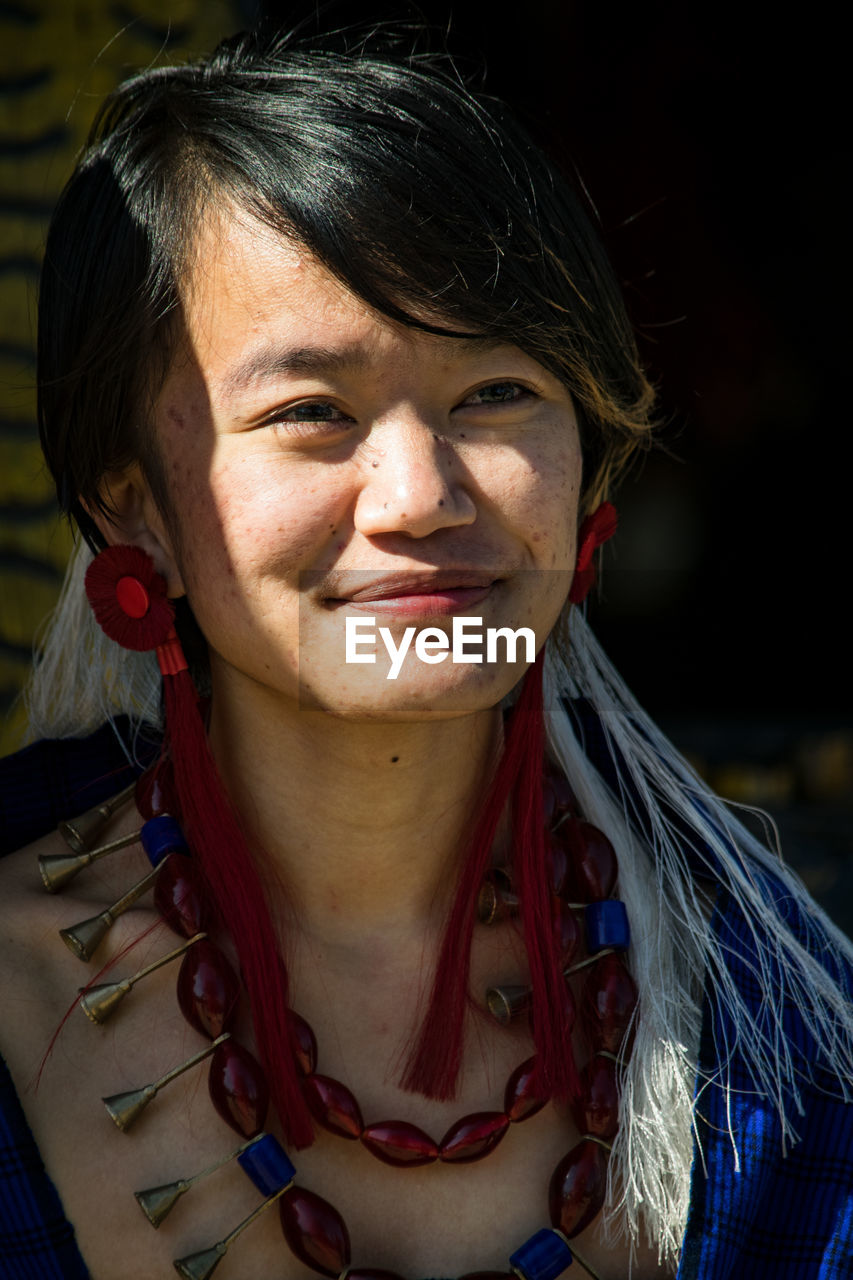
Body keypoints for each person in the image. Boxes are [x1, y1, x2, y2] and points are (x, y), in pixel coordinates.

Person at [1, 24, 852, 1280]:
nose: (421, 495)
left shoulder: (773, 1019)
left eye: (498, 393)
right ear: (132, 508)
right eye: (310, 413)